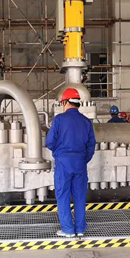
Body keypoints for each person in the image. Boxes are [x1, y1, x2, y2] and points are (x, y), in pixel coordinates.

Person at [46, 88, 96, 238]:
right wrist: (83, 159)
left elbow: (49, 142)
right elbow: (91, 145)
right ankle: (80, 229)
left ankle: (68, 230)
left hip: (63, 163)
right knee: (79, 196)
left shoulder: (59, 120)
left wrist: (59, 153)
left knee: (63, 195)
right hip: (80, 163)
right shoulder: (86, 122)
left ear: (66, 102)